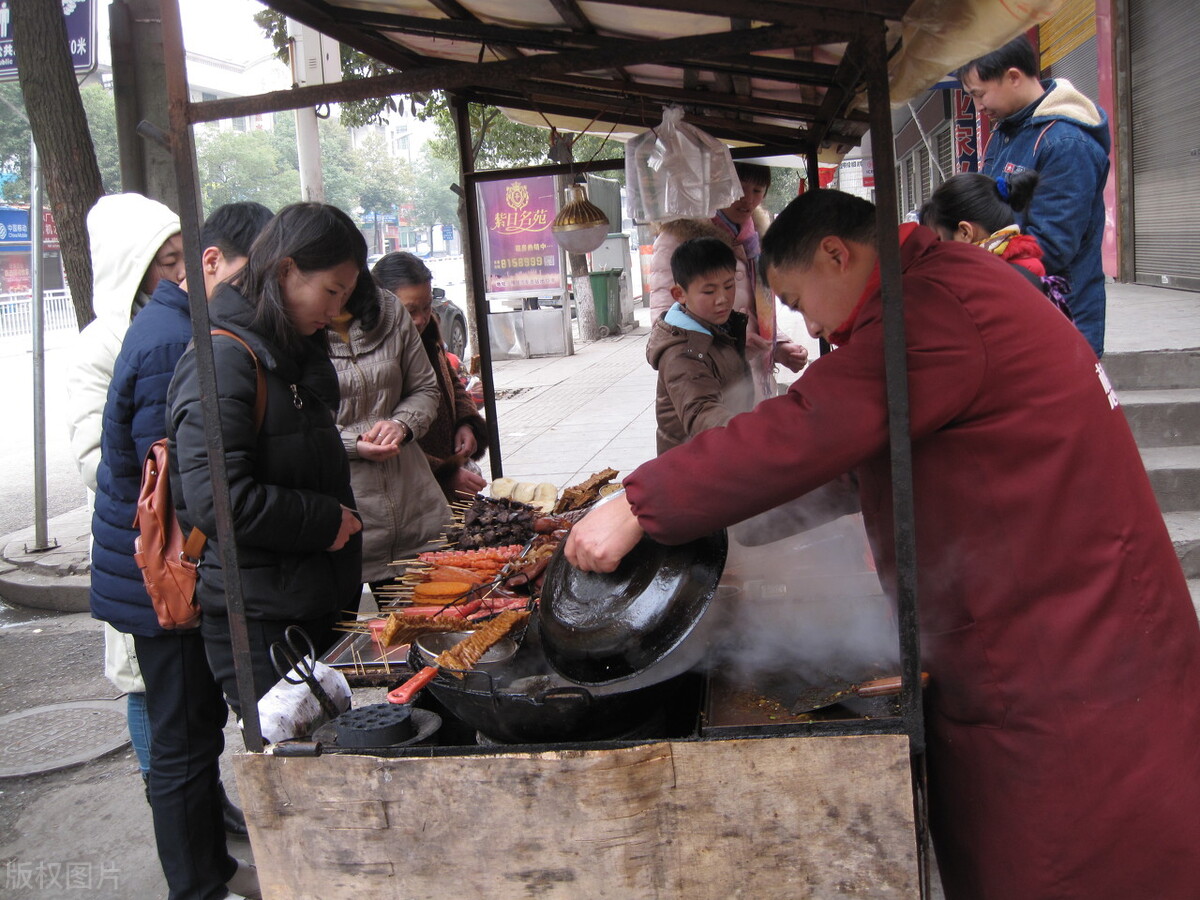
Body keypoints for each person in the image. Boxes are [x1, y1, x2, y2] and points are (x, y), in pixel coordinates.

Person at [565, 190, 1200, 900]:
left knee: (1071, 856)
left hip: (1065, 636)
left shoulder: (932, 308)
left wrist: (641, 506)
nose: (809, 324)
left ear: (838, 254)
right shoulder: (940, 286)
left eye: (802, 299)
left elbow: (811, 425)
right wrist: (726, 535)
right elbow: (851, 466)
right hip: (1043, 610)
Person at [91, 201, 272, 900]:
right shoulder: (173, 339)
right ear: (214, 264)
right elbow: (170, 481)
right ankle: (196, 887)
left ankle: (210, 874)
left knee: (191, 733)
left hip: (162, 569)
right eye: (254, 278)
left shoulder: (179, 325)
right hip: (161, 576)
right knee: (182, 740)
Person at [167, 202, 365, 720]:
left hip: (310, 602)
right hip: (260, 620)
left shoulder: (290, 354)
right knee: (292, 771)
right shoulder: (224, 362)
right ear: (285, 270)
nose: (337, 308)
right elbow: (220, 501)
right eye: (331, 291)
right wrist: (324, 522)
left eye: (345, 295)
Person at [64, 192, 182, 813]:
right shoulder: (99, 344)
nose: (181, 270)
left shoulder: (175, 323)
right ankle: (163, 792)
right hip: (137, 547)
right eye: (167, 260)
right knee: (144, 683)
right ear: (132, 266)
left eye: (184, 255)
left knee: (183, 696)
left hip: (183, 543)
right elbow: (93, 458)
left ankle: (198, 797)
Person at [957, 34, 1110, 356]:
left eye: (980, 94)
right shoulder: (1008, 131)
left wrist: (968, 262)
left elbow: (1051, 247)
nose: (979, 106)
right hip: (1019, 306)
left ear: (1013, 77)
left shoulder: (1065, 144)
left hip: (1060, 318)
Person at [327, 266, 450, 597]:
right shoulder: (294, 325)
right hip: (344, 517)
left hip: (412, 506)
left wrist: (402, 424)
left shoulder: (389, 310)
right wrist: (353, 444)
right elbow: (297, 424)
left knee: (421, 628)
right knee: (343, 643)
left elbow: (426, 388)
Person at [648, 162, 807, 398]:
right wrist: (729, 348)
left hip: (755, 383)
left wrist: (778, 346)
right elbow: (664, 325)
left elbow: (756, 309)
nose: (748, 200)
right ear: (717, 187)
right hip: (706, 383)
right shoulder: (677, 237)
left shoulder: (755, 240)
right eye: (740, 189)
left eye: (758, 190)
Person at [372, 252, 489, 500]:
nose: (421, 319)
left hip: (448, 480)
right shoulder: (373, 357)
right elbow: (377, 435)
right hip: (406, 491)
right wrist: (441, 473)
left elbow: (451, 383)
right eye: (409, 310)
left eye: (426, 307)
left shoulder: (427, 335)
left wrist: (466, 423)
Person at [647, 236, 754, 455]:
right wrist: (750, 436)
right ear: (680, 294)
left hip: (722, 454)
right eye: (709, 291)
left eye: (729, 285)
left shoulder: (720, 327)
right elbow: (700, 410)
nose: (722, 298)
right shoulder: (683, 351)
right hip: (691, 465)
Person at [919, 171, 1072, 318]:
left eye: (938, 242)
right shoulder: (1016, 266)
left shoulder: (988, 284)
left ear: (965, 233)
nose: (934, 254)